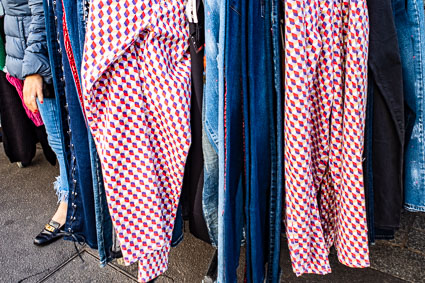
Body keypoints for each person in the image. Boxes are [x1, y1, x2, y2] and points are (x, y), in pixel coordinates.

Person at [1, 0, 69, 245]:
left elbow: (43, 8)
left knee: (61, 139)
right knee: (58, 138)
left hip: (43, 57)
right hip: (31, 52)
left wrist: (34, 68)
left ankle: (69, 206)